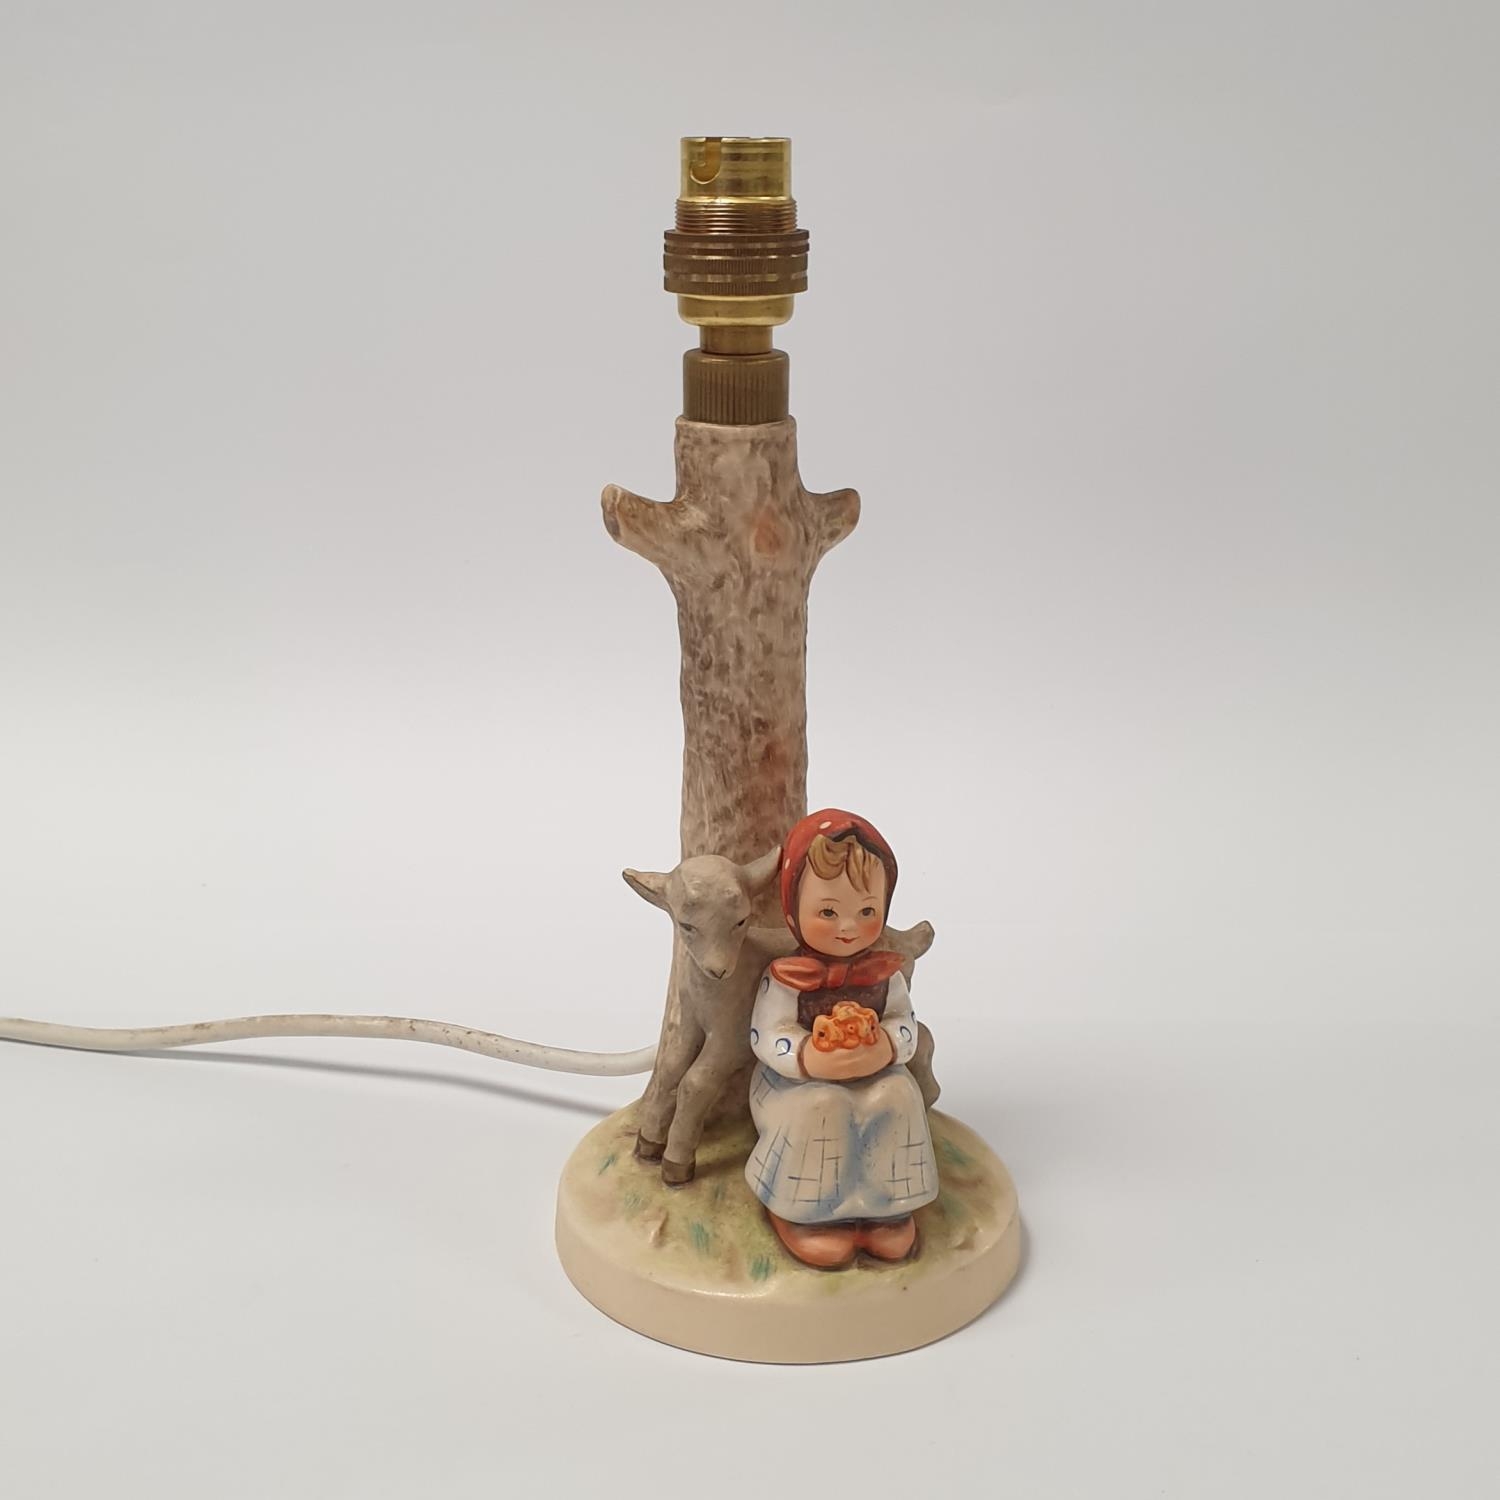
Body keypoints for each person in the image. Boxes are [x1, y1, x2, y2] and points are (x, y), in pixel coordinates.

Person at [745, 808, 938, 1268]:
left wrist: (886, 1045)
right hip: (792, 1085)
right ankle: (805, 1212)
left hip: (874, 1074)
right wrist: (808, 1056)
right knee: (823, 1106)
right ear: (793, 909)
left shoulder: (884, 975)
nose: (848, 927)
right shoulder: (787, 978)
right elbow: (766, 1034)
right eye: (828, 912)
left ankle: (886, 1207)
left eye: (866, 911)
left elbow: (904, 1021)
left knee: (897, 1095)